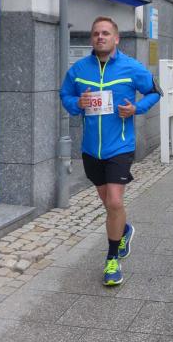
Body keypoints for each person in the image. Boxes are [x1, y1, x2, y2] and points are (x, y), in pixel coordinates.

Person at [60, 16, 161, 286]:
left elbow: (155, 92)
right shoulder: (79, 69)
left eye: (106, 33)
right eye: (96, 33)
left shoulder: (131, 67)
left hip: (120, 146)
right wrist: (77, 103)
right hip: (91, 149)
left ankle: (112, 259)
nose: (100, 37)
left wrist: (136, 109)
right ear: (91, 38)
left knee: (115, 202)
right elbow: (65, 95)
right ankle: (124, 229)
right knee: (108, 203)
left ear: (116, 38)